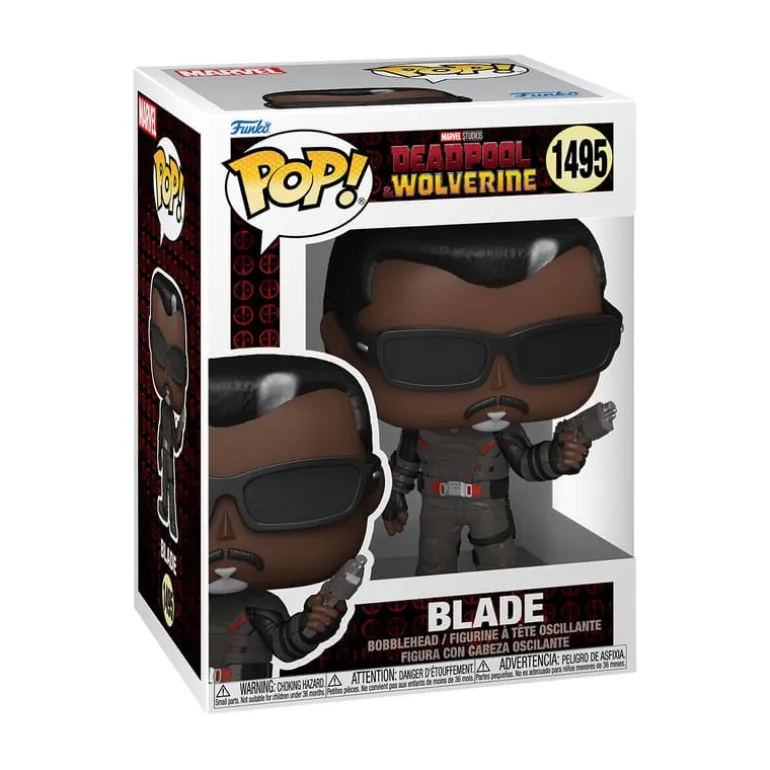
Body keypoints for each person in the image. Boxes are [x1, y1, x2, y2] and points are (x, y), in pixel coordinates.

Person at [321, 220, 622, 575]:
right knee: (434, 566)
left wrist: (560, 455)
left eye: (548, 348)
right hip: (437, 506)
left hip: (488, 505)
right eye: (438, 357)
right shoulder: (422, 427)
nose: (498, 383)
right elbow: (404, 463)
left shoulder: (501, 430)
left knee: (498, 565)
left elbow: (527, 463)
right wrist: (393, 497)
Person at [208, 354, 385, 681]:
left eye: (287, 498)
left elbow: (285, 646)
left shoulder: (259, 610)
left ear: (371, 490)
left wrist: (310, 625)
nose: (225, 534)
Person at [149, 269, 188, 544]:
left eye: (176, 366)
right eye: (158, 348)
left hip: (170, 463)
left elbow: (175, 439)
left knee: (171, 486)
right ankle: (167, 514)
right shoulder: (164, 407)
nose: (165, 375)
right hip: (166, 463)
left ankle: (170, 516)